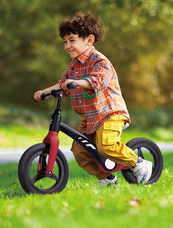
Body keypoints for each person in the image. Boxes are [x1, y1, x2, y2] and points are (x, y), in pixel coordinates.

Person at [33, 13, 152, 186]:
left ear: (89, 40)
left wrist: (76, 82)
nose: (67, 46)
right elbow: (63, 84)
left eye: (72, 40)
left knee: (106, 145)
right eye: (65, 42)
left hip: (110, 114)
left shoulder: (100, 61)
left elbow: (97, 82)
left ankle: (139, 163)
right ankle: (108, 179)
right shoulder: (74, 66)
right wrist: (44, 92)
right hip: (89, 118)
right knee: (80, 151)